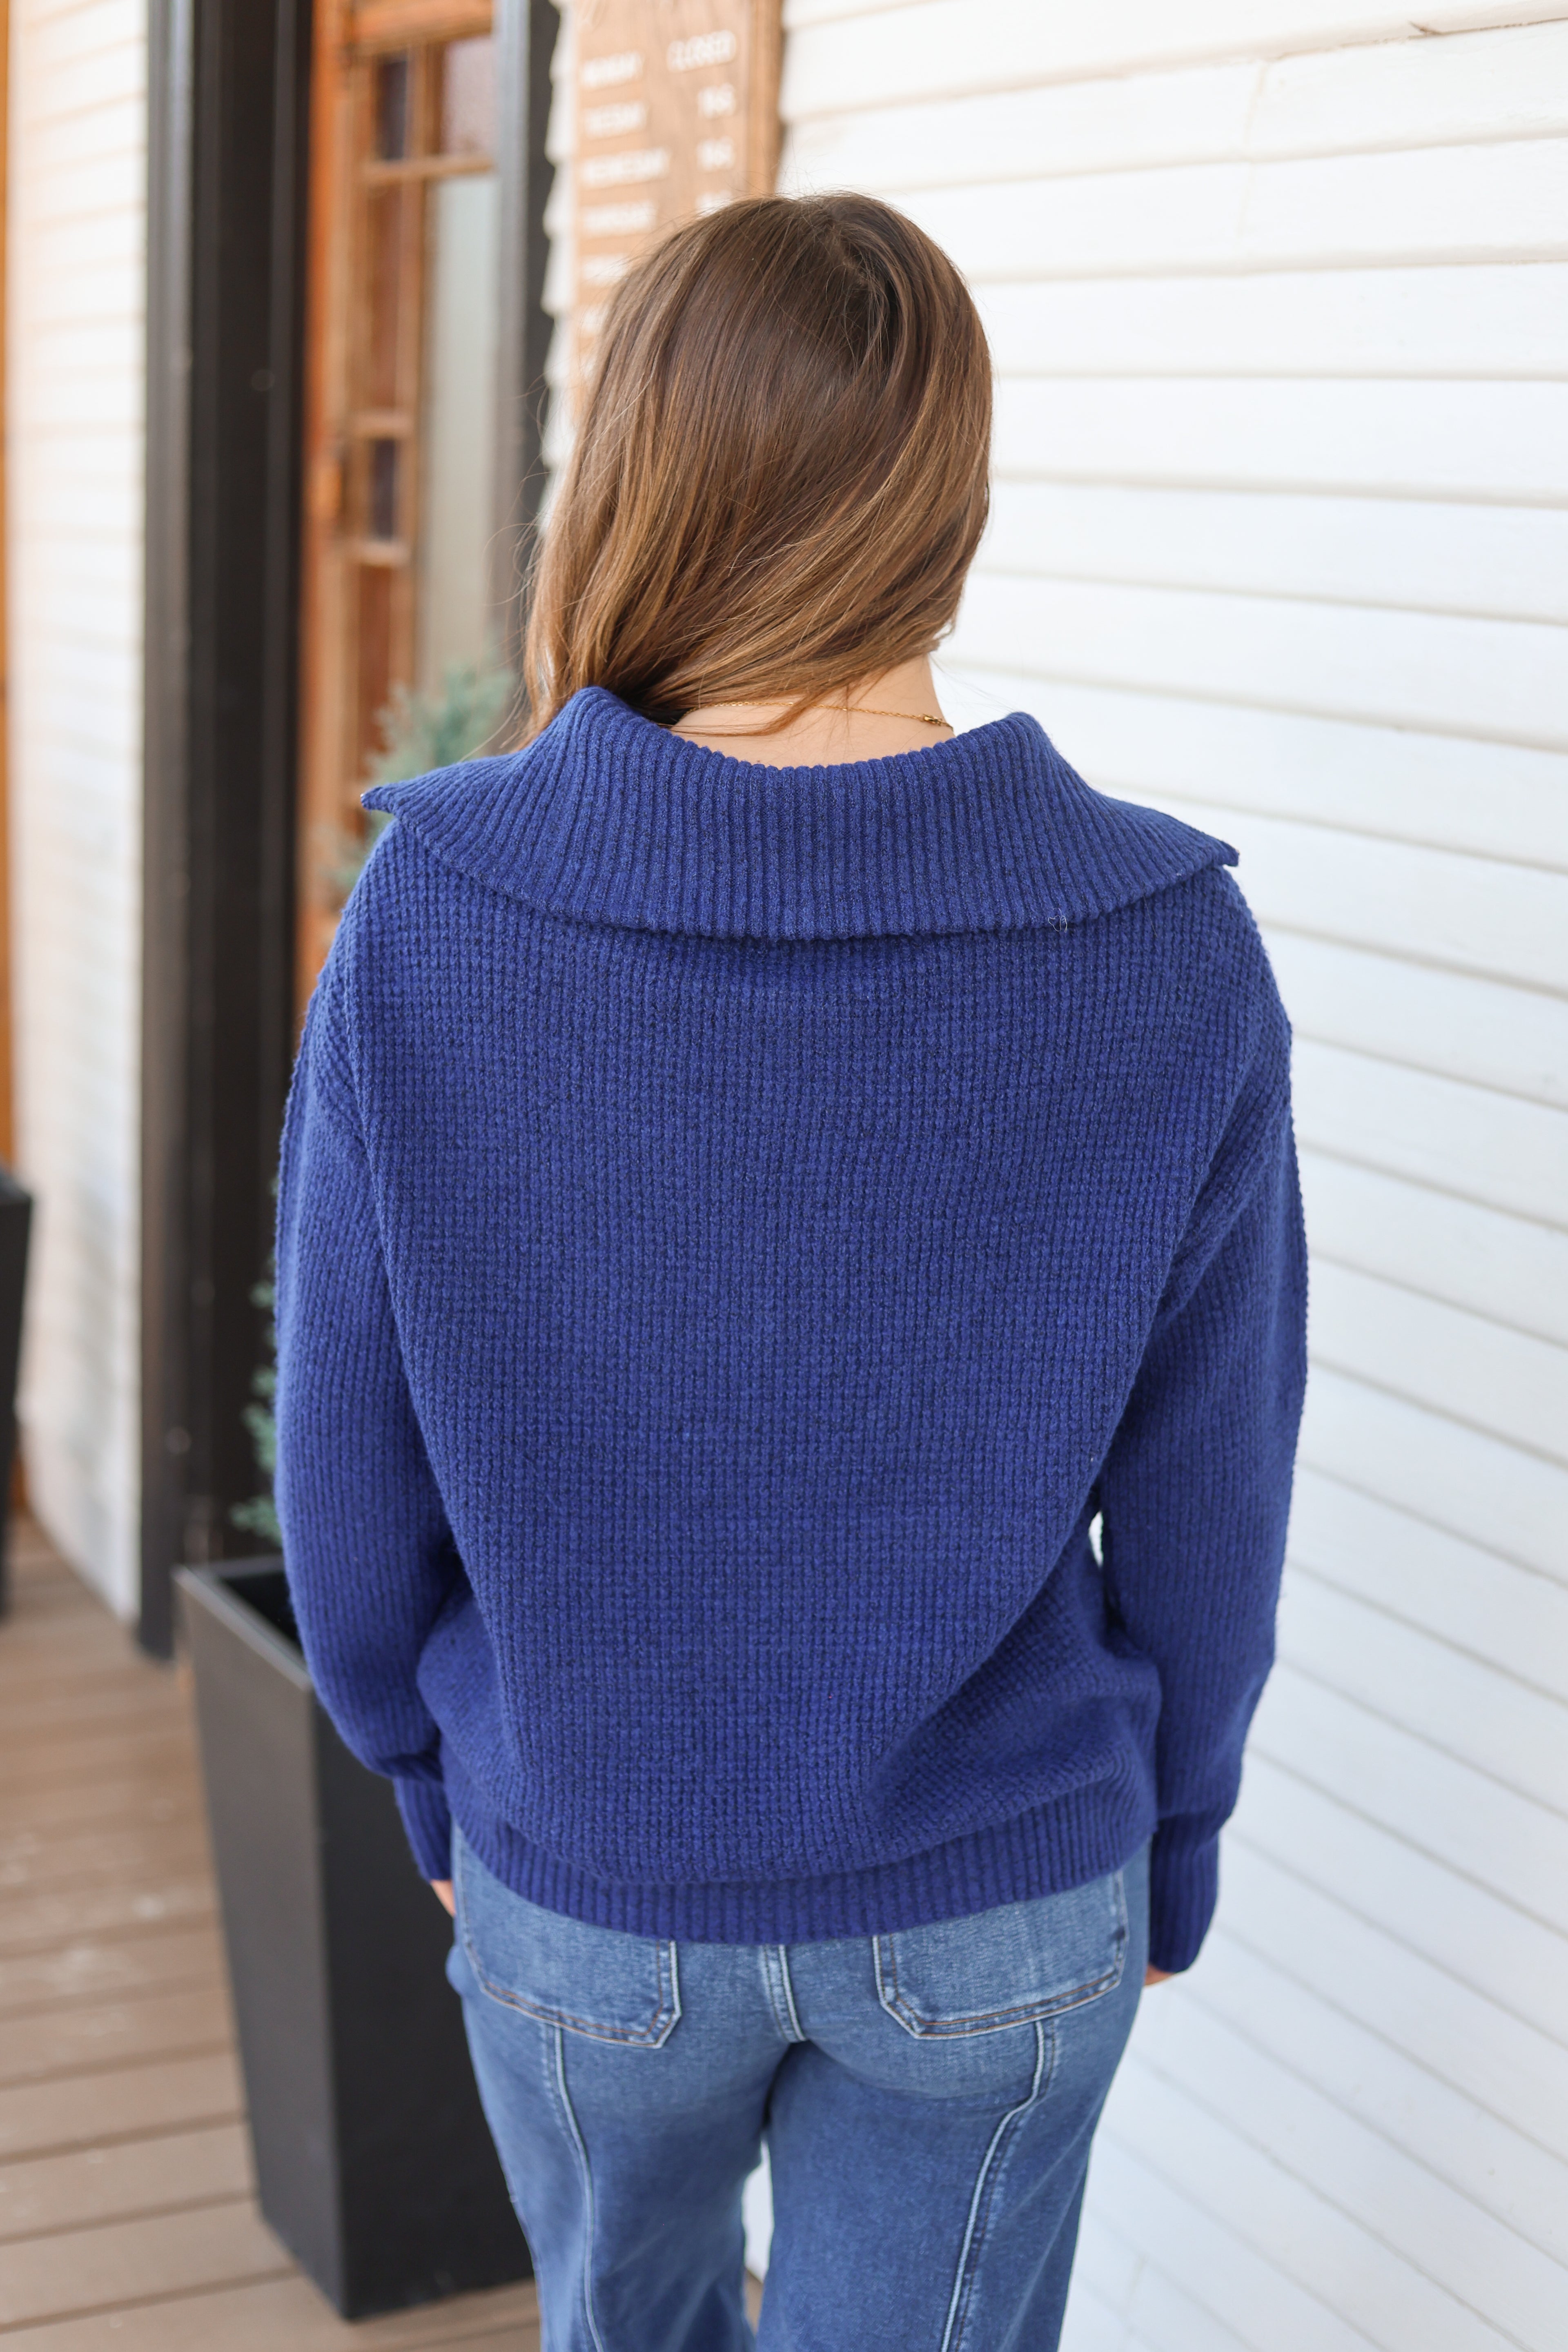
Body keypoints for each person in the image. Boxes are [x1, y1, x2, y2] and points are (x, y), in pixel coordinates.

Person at [274, 193, 1307, 2352]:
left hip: (585, 1879)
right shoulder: (1169, 946)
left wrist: (419, 1766)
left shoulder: (437, 916)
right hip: (1006, 1899)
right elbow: (1214, 1498)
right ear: (952, 501)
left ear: (639, 475)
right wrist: (1180, 1835)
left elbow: (347, 1463)